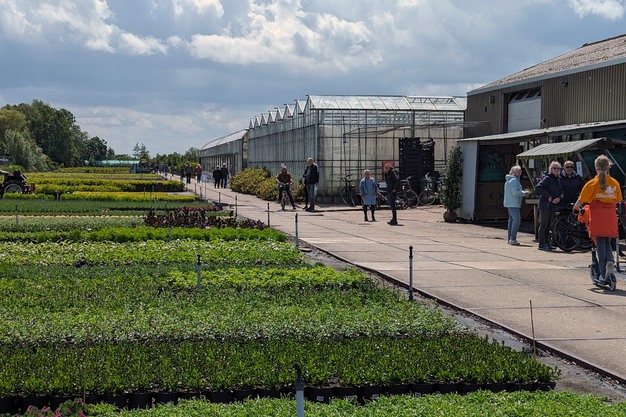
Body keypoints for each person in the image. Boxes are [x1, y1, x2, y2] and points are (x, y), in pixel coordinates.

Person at [573, 155, 622, 284]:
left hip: (597, 216)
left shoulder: (592, 183)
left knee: (599, 242)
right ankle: (610, 260)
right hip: (610, 216)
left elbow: (582, 199)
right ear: (608, 167)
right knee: (607, 241)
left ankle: (602, 273)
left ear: (596, 168)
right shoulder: (614, 182)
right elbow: (618, 199)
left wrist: (576, 208)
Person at [535, 161, 564, 251]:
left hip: (552, 205)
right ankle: (542, 243)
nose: (556, 170)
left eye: (558, 168)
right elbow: (538, 187)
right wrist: (548, 196)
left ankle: (547, 242)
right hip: (545, 205)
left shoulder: (558, 179)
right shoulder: (547, 178)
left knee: (549, 225)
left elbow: (561, 192)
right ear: (550, 169)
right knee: (544, 224)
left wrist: (559, 198)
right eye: (554, 168)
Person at [504, 165, 531, 245]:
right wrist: (524, 193)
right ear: (514, 172)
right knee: (517, 220)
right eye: (518, 171)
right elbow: (515, 192)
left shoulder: (510, 180)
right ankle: (512, 239)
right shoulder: (514, 180)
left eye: (520, 171)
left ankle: (510, 238)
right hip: (513, 203)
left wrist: (522, 192)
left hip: (509, 203)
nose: (520, 172)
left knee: (511, 220)